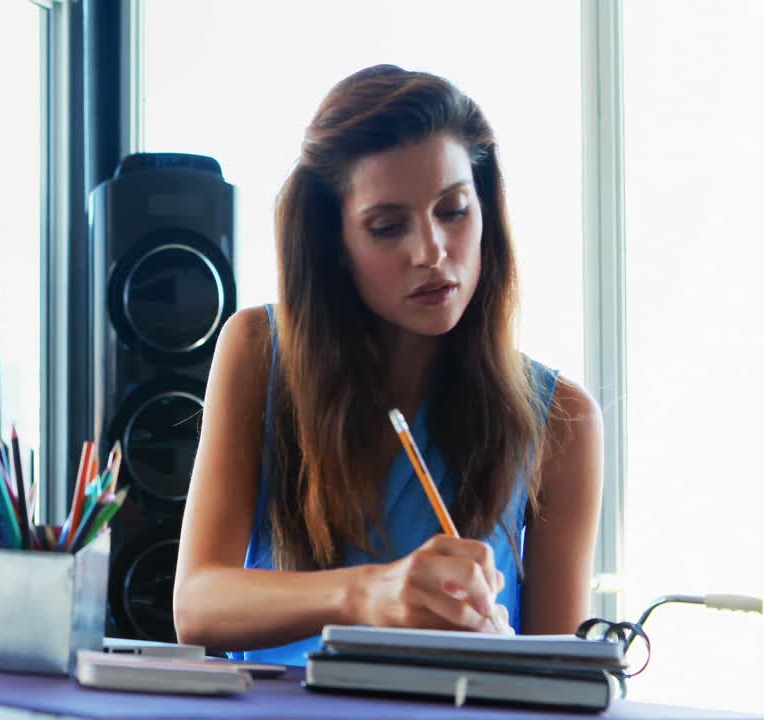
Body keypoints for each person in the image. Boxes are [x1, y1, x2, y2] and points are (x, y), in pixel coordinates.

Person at [172, 65, 604, 666]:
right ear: (335, 244)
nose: (431, 252)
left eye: (454, 210)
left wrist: (508, 659)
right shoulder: (258, 352)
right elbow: (196, 607)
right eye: (387, 227)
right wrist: (368, 594)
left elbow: (557, 684)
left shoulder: (562, 419)